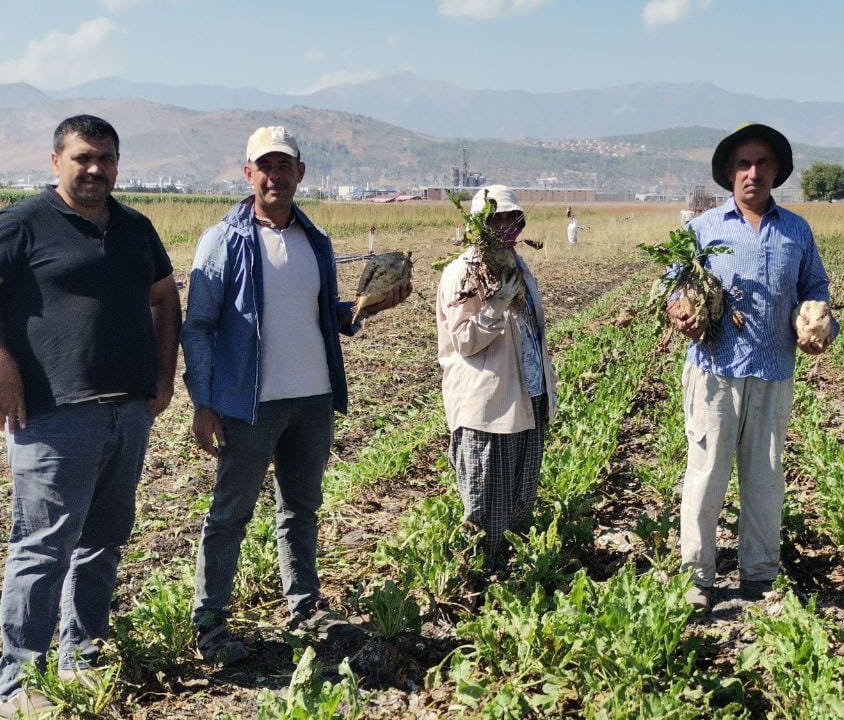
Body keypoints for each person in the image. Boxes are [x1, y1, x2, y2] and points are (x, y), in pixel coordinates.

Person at [181, 126, 409, 666]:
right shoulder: (223, 241)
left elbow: (323, 316)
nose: (274, 176)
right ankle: (209, 621)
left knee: (301, 508)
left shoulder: (316, 241)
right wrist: (204, 402)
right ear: (248, 174)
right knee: (230, 513)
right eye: (264, 166)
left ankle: (305, 608)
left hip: (312, 398)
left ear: (300, 173)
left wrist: (367, 307)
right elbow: (200, 326)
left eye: (284, 166)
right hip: (249, 404)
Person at [0, 115, 180, 715]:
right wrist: (3, 367)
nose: (96, 169)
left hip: (127, 412)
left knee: (103, 541)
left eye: (106, 158)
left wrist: (163, 374)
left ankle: (83, 659)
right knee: (42, 547)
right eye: (83, 157)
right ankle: (19, 681)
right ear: (56, 161)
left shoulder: (135, 228)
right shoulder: (23, 223)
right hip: (53, 415)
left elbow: (164, 297)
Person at [668, 123, 836, 612]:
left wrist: (820, 327)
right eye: (743, 164)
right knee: (706, 474)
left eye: (763, 163)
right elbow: (674, 286)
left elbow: (816, 289)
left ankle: (760, 575)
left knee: (765, 478)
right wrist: (679, 310)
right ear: (729, 172)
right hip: (714, 370)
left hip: (773, 370)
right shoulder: (703, 228)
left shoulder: (796, 230)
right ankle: (696, 577)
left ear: (777, 171)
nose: (753, 172)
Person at [436, 185, 556, 571]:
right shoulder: (463, 272)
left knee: (520, 498)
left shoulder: (520, 267)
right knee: (486, 505)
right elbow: (463, 340)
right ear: (478, 225)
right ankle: (480, 580)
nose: (504, 227)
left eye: (511, 218)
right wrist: (495, 306)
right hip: (487, 408)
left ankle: (512, 576)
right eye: (495, 219)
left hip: (528, 399)